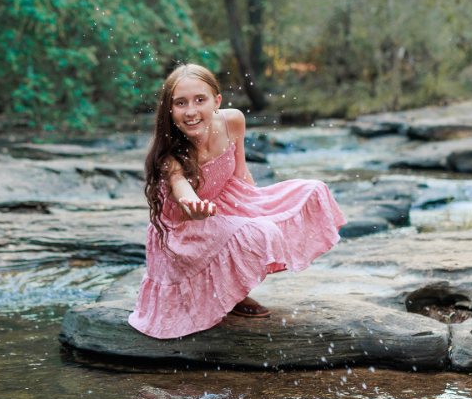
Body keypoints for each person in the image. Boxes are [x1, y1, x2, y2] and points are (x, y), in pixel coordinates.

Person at [129, 63, 346, 340]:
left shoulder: (233, 121)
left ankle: (232, 290)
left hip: (226, 202)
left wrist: (258, 207)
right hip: (184, 230)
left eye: (200, 100)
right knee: (260, 233)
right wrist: (195, 208)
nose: (191, 111)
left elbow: (240, 171)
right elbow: (183, 192)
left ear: (216, 101)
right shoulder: (171, 155)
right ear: (170, 111)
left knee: (311, 190)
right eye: (181, 103)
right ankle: (229, 297)